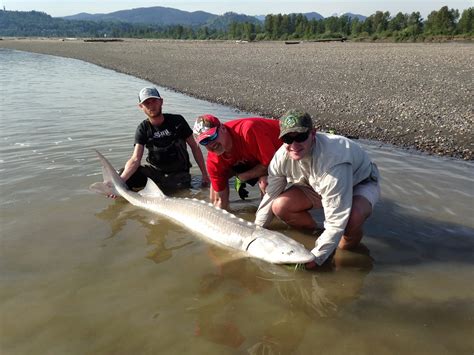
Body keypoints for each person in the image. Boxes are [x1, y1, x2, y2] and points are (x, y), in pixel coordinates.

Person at [255, 110, 381, 269]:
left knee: (351, 219)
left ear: (313, 133)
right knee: (279, 206)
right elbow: (270, 196)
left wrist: (317, 258)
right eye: (288, 138)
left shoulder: (333, 162)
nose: (294, 145)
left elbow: (336, 222)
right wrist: (256, 232)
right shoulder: (281, 157)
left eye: (300, 137)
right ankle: (317, 234)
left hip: (359, 183)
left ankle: (345, 254)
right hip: (316, 185)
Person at [118, 87, 209, 193]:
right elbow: (135, 159)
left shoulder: (177, 121)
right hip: (155, 173)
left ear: (161, 102)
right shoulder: (143, 128)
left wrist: (204, 175)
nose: (151, 106)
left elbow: (195, 146)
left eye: (154, 101)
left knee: (177, 194)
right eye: (147, 103)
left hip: (178, 174)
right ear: (141, 106)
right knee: (122, 175)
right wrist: (120, 181)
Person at [193, 114, 282, 210]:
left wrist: (243, 177)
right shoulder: (213, 161)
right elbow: (220, 201)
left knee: (265, 182)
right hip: (253, 158)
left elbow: (271, 165)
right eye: (204, 141)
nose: (211, 144)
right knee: (216, 189)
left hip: (290, 148)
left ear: (222, 128)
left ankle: (268, 216)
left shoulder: (248, 131)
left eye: (212, 136)